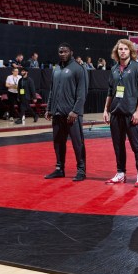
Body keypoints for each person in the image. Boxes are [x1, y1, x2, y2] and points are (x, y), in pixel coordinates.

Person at [103, 39, 138, 187]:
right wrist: (106, 110)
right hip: (116, 113)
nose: (122, 51)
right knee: (118, 145)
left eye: (125, 49)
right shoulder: (114, 69)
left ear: (131, 51)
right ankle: (120, 173)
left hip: (131, 114)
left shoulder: (137, 68)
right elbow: (110, 91)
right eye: (120, 49)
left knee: (137, 146)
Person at [44, 43, 88, 181]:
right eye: (60, 52)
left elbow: (82, 93)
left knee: (77, 143)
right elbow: (52, 90)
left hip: (72, 115)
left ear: (71, 52)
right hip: (57, 113)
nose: (62, 54)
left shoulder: (79, 69)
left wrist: (75, 111)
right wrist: (49, 108)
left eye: (65, 51)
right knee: (58, 142)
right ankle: (59, 169)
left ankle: (81, 171)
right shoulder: (56, 69)